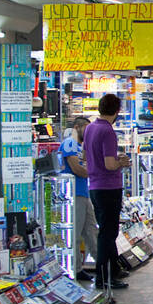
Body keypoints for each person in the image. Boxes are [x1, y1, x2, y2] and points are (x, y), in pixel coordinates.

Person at [84, 93, 131, 304]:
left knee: (106, 230)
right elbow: (110, 164)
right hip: (109, 186)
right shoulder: (108, 132)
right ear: (117, 110)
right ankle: (105, 277)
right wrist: (122, 161)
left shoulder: (91, 128)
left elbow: (88, 157)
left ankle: (113, 270)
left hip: (94, 185)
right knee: (108, 233)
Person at [59, 115, 98, 283]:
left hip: (83, 193)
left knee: (91, 230)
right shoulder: (69, 143)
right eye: (86, 129)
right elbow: (77, 168)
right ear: (77, 127)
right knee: (74, 233)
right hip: (73, 195)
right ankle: (75, 269)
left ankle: (103, 264)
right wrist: (95, 171)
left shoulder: (80, 146)